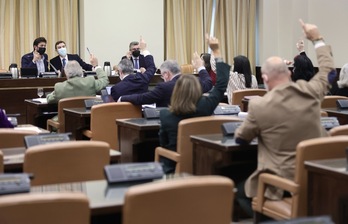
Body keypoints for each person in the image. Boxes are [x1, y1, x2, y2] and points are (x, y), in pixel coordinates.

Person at [234, 20, 335, 217]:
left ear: (264, 79)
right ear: (289, 73)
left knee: (241, 191)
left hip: (281, 185)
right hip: (315, 177)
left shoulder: (259, 106)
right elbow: (329, 73)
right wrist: (317, 39)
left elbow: (241, 139)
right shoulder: (310, 91)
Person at [159, 35, 230, 173]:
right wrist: (216, 52)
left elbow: (163, 145)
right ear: (198, 90)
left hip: (175, 168)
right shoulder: (206, 106)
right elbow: (221, 85)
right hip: (205, 165)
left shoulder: (166, 115)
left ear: (176, 91)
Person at [119, 56, 212, 107]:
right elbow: (208, 82)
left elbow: (142, 98)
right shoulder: (195, 82)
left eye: (162, 75)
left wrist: (122, 98)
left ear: (167, 74)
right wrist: (200, 67)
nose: (163, 78)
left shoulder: (164, 87)